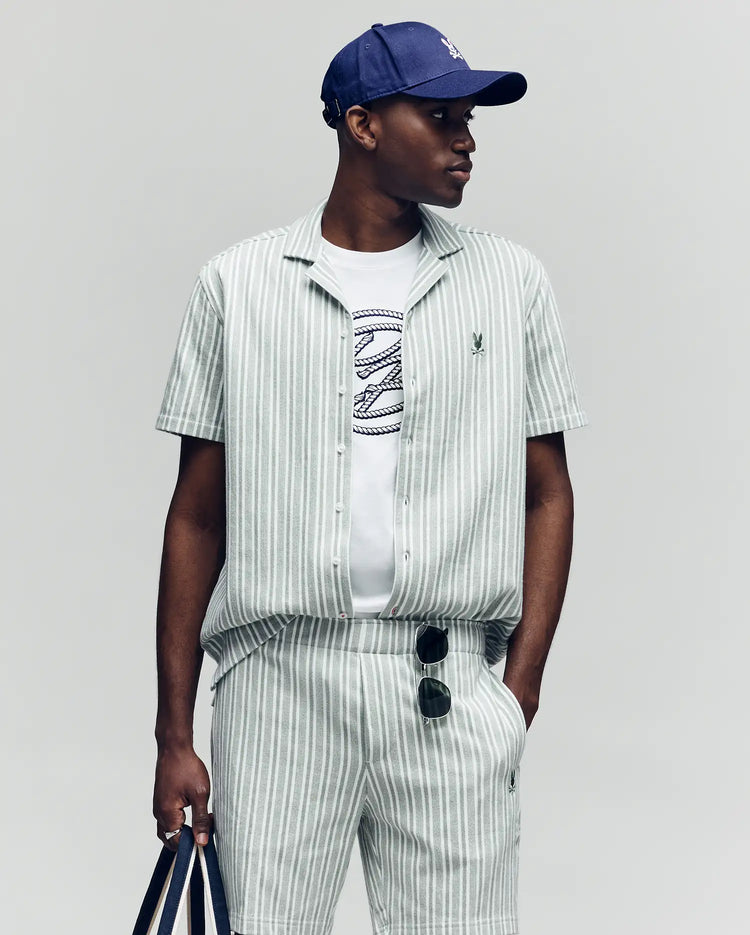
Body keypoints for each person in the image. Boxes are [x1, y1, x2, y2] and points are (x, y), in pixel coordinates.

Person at [152, 21, 589, 935]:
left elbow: (548, 492)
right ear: (362, 125)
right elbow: (197, 517)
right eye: (442, 117)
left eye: (469, 119)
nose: (466, 140)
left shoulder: (511, 284)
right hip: (280, 684)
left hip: (448, 687)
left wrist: (519, 692)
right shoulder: (238, 285)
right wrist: (175, 733)